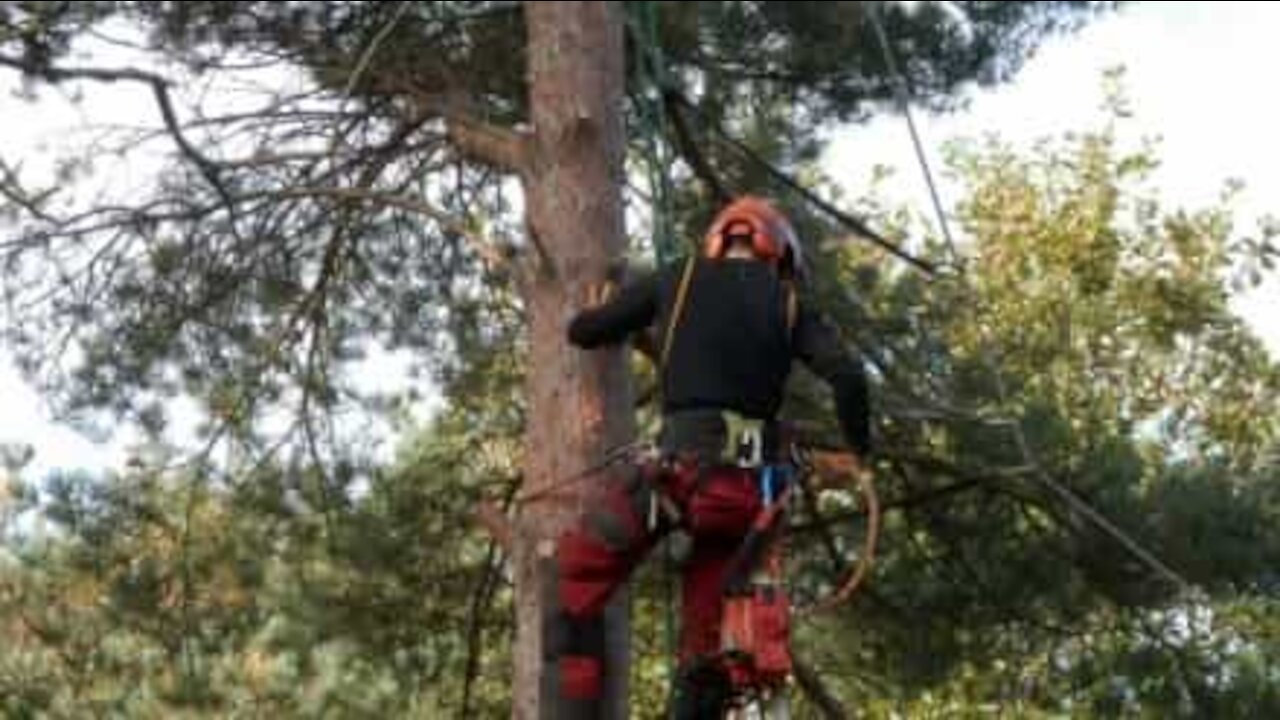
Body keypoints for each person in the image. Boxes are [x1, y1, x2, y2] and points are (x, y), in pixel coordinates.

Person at [545, 195, 871, 719]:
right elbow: (850, 376)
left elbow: (583, 332)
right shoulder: (789, 304)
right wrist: (861, 452)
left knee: (576, 578)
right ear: (779, 255)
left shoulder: (678, 278)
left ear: (721, 238)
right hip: (745, 502)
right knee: (708, 645)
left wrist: (609, 311)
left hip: (676, 480)